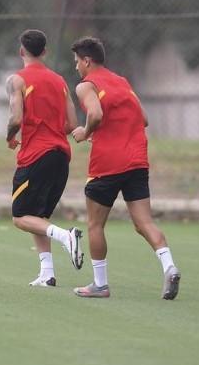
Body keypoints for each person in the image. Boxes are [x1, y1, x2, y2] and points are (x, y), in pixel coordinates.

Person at [69, 37, 180, 300]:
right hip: (137, 160)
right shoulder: (122, 82)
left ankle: (100, 284)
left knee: (95, 225)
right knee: (144, 223)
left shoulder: (86, 86)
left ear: (87, 61)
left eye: (77, 62)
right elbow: (143, 119)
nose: (76, 67)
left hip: (107, 163)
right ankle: (169, 266)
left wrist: (85, 132)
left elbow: (94, 115)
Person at [4, 30, 83, 287]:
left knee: (19, 216)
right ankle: (47, 273)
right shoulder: (60, 81)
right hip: (61, 156)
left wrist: (10, 136)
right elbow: (72, 124)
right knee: (38, 217)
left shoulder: (18, 80)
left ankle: (66, 237)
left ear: (21, 52)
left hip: (36, 155)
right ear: (45, 51)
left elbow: (15, 118)